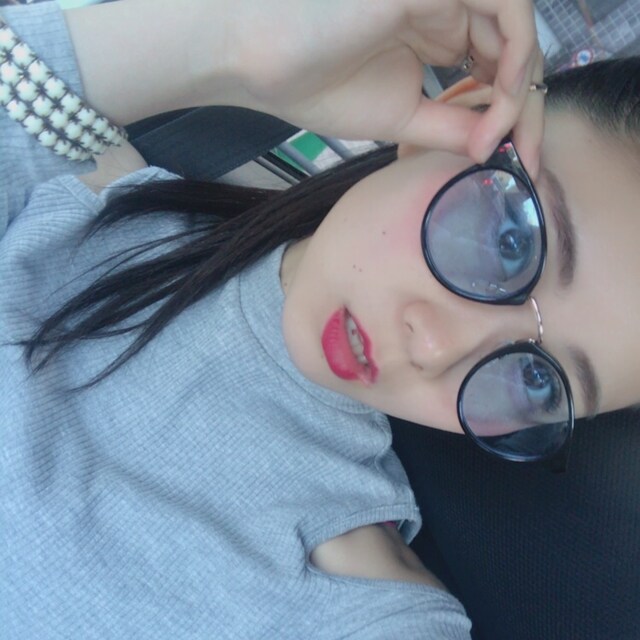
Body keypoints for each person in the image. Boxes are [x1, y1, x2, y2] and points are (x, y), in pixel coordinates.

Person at [1, 1, 639, 639]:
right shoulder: (87, 174)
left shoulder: (359, 609)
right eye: (510, 241)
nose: (436, 348)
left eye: (538, 381)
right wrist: (227, 44)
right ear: (459, 126)